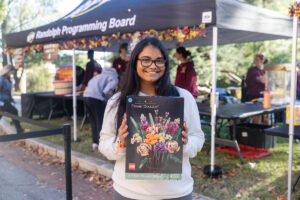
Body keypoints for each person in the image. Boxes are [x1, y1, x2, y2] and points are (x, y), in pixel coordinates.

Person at [99, 37, 204, 200]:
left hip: (176, 193)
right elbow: (104, 144)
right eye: (146, 60)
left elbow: (198, 138)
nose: (153, 66)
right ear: (135, 62)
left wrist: (185, 144)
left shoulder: (184, 97)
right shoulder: (118, 101)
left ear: (166, 64)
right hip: (129, 193)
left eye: (159, 61)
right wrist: (121, 143)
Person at [84, 67, 118, 150]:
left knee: (93, 121)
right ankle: (101, 144)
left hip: (86, 97)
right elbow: (107, 91)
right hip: (96, 99)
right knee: (100, 121)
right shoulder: (114, 77)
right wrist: (109, 100)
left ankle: (95, 143)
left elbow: (89, 84)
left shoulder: (98, 76)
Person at [0, 65, 23, 133]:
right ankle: (19, 130)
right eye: (11, 72)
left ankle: (18, 128)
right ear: (7, 71)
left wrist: (12, 100)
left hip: (6, 101)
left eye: (13, 72)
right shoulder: (1, 79)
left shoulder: (8, 80)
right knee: (14, 111)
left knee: (10, 113)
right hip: (2, 102)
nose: (12, 74)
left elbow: (8, 93)